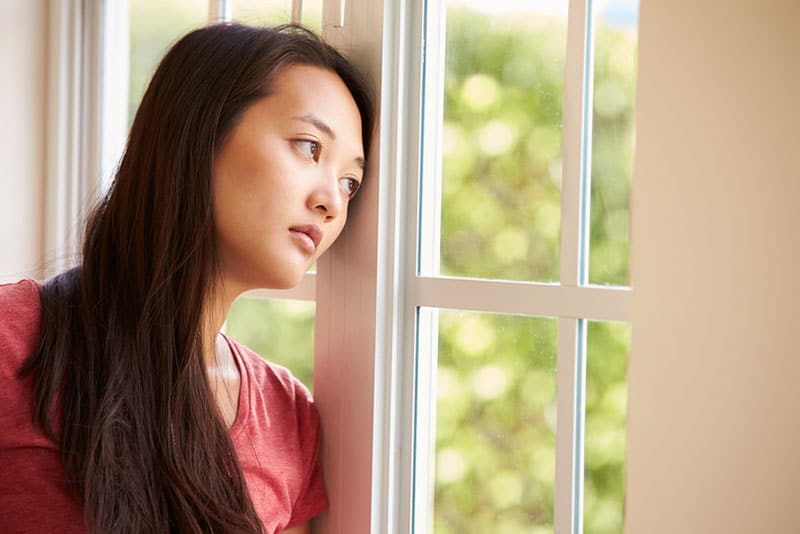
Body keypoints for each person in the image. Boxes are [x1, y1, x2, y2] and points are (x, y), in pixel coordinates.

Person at [0, 22, 373, 534]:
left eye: (350, 182)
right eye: (309, 147)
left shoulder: (288, 420)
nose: (331, 201)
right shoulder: (13, 341)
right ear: (199, 133)